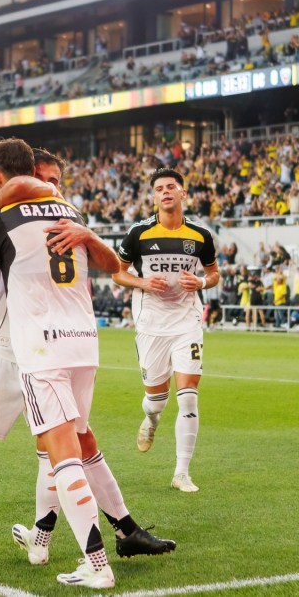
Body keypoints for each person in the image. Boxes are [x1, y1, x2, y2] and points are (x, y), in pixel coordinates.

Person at [0, 146, 174, 578]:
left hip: (44, 349)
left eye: (57, 182)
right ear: (28, 175)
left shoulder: (53, 219)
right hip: (6, 350)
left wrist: (83, 234)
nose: (51, 187)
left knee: (73, 445)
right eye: (45, 179)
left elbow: (105, 265)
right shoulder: (17, 215)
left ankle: (107, 531)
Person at [0, 138, 114, 587]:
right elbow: (114, 266)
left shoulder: (1, 219)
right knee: (69, 449)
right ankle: (45, 540)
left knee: (64, 458)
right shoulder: (71, 214)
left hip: (42, 347)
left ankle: (97, 565)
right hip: (85, 343)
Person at [113, 168, 220, 493]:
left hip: (187, 322)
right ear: (154, 196)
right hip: (152, 324)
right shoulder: (139, 233)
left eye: (171, 186)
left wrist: (200, 282)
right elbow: (118, 273)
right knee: (156, 401)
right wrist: (143, 282)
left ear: (183, 193)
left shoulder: (200, 235)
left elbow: (214, 274)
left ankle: (181, 473)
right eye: (159, 188)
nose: (165, 192)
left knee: (188, 397)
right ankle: (151, 420)